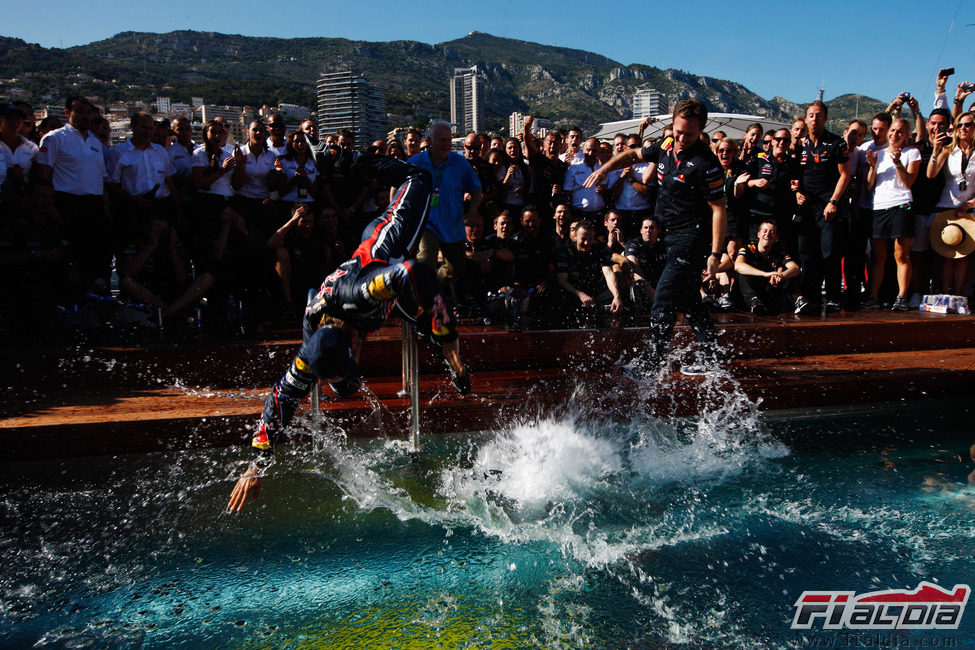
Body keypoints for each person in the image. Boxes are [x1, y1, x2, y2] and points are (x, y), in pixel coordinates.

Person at [227, 152, 470, 513]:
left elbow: (415, 273)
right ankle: (444, 351)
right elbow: (278, 401)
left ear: (353, 345)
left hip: (385, 243)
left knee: (421, 177)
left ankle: (362, 161)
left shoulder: (360, 297)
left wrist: (451, 344)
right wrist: (254, 467)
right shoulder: (310, 354)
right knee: (419, 320)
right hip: (365, 300)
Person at [584, 98, 726, 374]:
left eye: (689, 134)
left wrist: (715, 254)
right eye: (678, 131)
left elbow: (719, 209)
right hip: (666, 235)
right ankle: (712, 357)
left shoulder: (706, 163)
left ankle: (650, 363)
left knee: (664, 295)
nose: (682, 138)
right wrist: (604, 169)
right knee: (688, 299)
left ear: (701, 131)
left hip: (691, 237)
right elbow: (634, 155)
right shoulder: (665, 145)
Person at [35, 96, 110, 295]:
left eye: (88, 112)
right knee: (71, 263)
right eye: (80, 112)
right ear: (68, 113)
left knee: (96, 261)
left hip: (94, 206)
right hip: (67, 205)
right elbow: (43, 176)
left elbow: (99, 178)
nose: (85, 116)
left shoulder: (95, 142)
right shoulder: (54, 139)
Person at [408, 120, 482, 293]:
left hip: (453, 223)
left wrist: (472, 211)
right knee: (426, 259)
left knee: (455, 269)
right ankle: (419, 298)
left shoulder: (460, 163)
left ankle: (426, 292)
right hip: (427, 222)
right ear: (430, 140)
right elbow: (397, 187)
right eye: (442, 140)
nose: (447, 144)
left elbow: (477, 190)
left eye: (449, 140)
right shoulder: (416, 162)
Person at [794, 100, 851, 315]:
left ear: (825, 118)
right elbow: (796, 176)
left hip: (829, 205)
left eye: (819, 115)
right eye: (811, 115)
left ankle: (835, 297)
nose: (814, 119)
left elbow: (845, 174)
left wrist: (834, 201)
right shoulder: (799, 144)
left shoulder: (836, 143)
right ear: (806, 118)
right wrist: (797, 192)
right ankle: (811, 297)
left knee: (830, 253)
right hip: (806, 207)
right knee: (807, 254)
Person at [862, 117, 921, 311]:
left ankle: (901, 296)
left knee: (901, 255)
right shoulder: (877, 153)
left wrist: (898, 164)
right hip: (879, 206)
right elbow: (869, 186)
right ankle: (873, 296)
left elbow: (908, 183)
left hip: (901, 205)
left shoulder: (912, 153)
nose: (895, 135)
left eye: (900, 132)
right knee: (878, 257)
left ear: (906, 136)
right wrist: (872, 166)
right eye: (893, 131)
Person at [926, 111, 975, 296]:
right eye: (960, 125)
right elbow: (931, 174)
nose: (963, 128)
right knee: (946, 256)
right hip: (947, 207)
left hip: (969, 208)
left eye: (968, 125)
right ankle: (945, 294)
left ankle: (959, 296)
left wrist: (970, 203)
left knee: (964, 257)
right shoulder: (948, 149)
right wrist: (935, 150)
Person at [734, 220, 800, 314]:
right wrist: (765, 274)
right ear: (758, 234)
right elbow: (738, 266)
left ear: (776, 237)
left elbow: (795, 268)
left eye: (772, 232)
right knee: (743, 273)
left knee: (790, 273)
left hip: (771, 288)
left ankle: (798, 300)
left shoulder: (779, 251)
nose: (767, 234)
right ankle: (754, 302)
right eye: (765, 231)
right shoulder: (748, 248)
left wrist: (781, 275)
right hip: (751, 289)